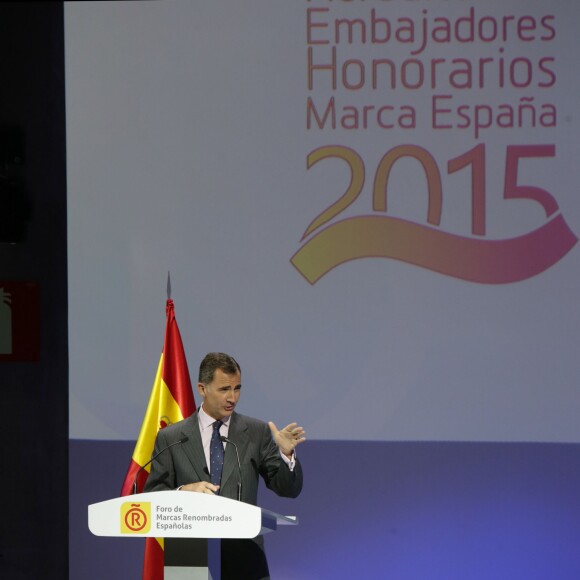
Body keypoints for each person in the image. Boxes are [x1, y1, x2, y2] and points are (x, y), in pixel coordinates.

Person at [144, 352, 305, 579]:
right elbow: (153, 495)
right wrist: (182, 492)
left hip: (244, 560)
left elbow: (287, 489)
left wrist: (286, 453)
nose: (232, 398)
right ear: (202, 389)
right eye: (224, 389)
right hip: (189, 559)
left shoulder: (256, 432)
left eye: (237, 388)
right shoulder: (171, 437)